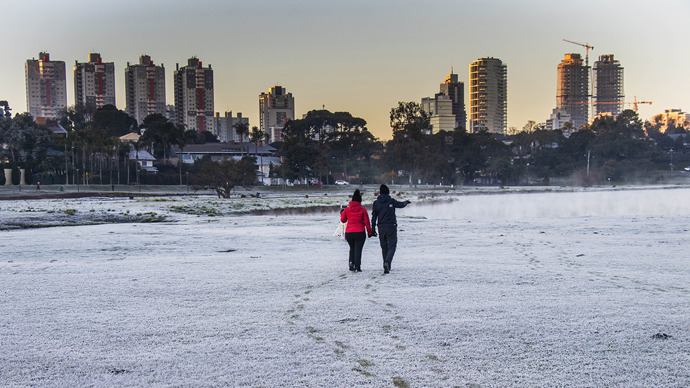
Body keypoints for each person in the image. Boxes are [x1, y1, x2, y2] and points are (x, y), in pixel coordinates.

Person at [371, 184, 410, 274]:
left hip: (381, 227)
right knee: (392, 246)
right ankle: (387, 263)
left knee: (384, 247)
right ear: (388, 192)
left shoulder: (376, 203)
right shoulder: (391, 201)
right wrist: (406, 202)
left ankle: (386, 263)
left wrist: (373, 229)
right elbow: (401, 205)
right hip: (391, 226)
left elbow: (374, 217)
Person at [340, 189, 372, 272]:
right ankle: (357, 266)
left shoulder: (346, 210)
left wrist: (342, 213)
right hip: (360, 232)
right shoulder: (363, 210)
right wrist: (369, 232)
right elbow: (367, 223)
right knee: (358, 249)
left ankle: (351, 262)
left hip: (349, 233)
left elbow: (343, 220)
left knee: (352, 248)